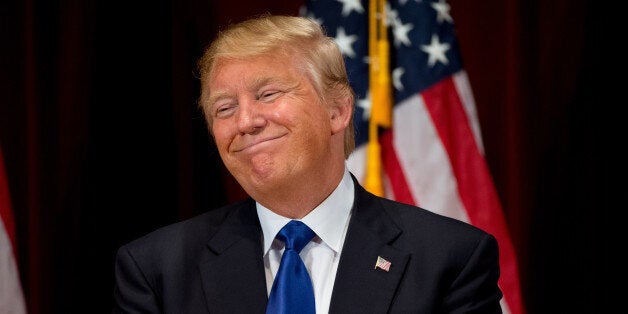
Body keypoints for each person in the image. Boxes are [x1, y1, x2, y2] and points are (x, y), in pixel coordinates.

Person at [112, 14, 503, 314]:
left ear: (337, 110)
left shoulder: (449, 259)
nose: (246, 122)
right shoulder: (157, 270)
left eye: (267, 94)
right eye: (225, 108)